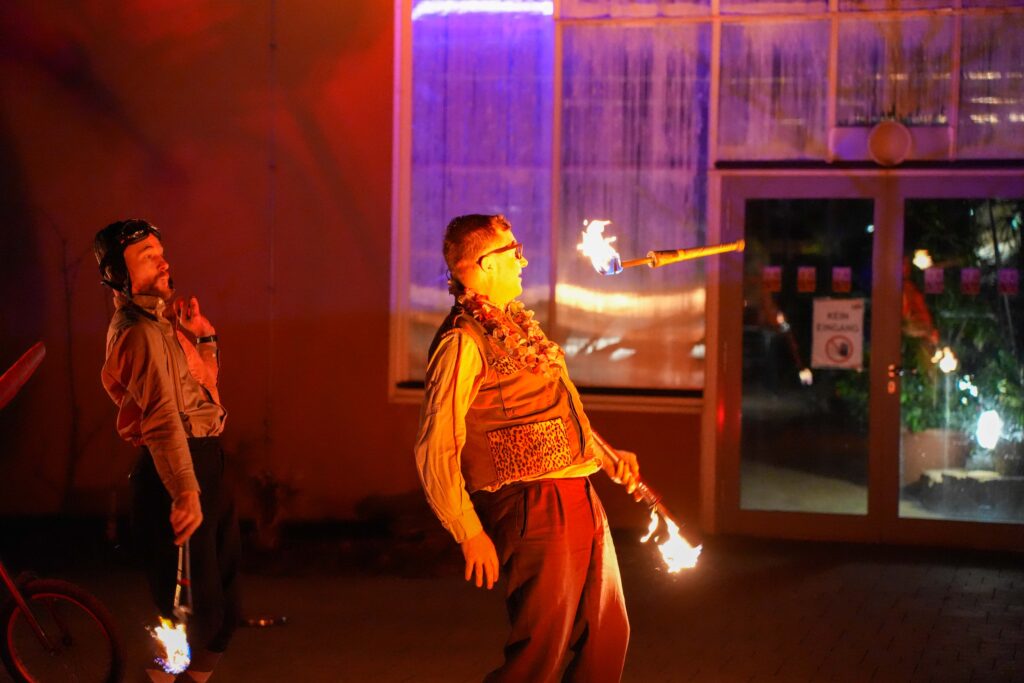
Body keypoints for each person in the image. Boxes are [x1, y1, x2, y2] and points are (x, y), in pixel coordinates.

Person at [414, 214, 641, 683]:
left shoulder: (517, 328)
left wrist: (606, 455)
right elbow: (435, 443)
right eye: (512, 251)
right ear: (480, 266)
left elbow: (551, 410)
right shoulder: (463, 340)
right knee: (541, 651)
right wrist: (467, 529)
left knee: (607, 632)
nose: (523, 260)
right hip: (532, 504)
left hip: (577, 494)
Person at [94, 219, 240, 683]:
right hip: (176, 470)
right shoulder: (138, 333)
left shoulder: (162, 323)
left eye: (160, 249)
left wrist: (205, 339)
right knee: (187, 621)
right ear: (120, 275)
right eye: (146, 255)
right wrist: (184, 491)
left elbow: (200, 397)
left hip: (205, 460)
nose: (162, 259)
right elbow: (161, 418)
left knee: (222, 618)